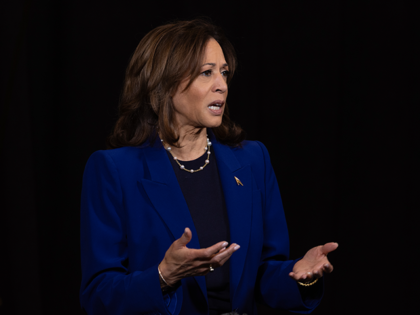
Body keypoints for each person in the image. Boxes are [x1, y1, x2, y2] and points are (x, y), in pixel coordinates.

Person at [79, 19, 338, 315]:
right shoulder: (113, 170)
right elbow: (98, 295)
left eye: (224, 73)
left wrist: (299, 275)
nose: (222, 86)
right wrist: (164, 276)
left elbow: (264, 275)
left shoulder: (253, 160)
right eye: (207, 73)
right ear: (164, 83)